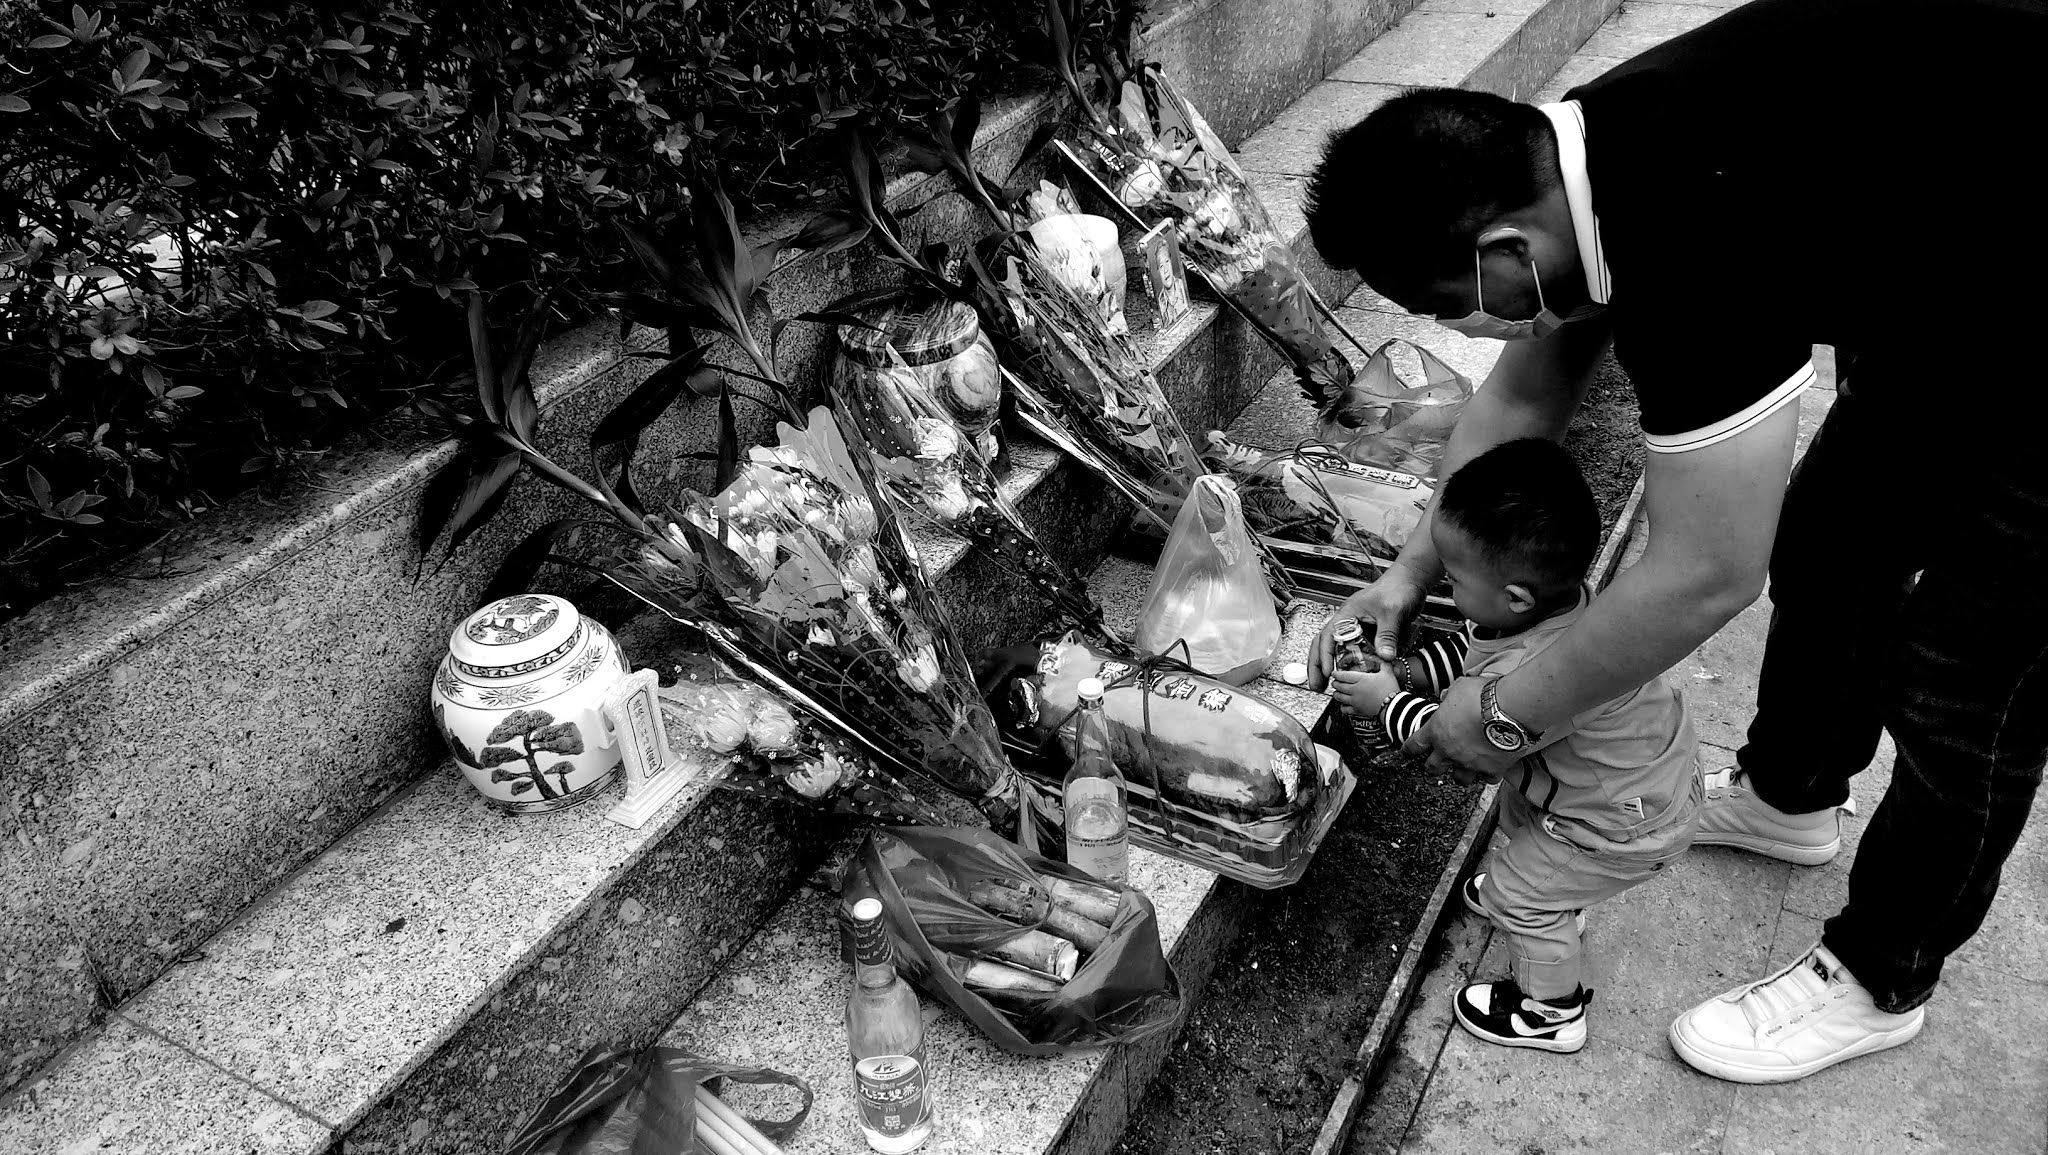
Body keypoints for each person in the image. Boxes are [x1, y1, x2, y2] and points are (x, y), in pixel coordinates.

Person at [1300, 0, 2047, 1084]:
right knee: (1834, 543)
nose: (1461, 334)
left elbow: (1703, 573)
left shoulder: (1693, 236)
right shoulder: (1590, 164)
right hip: (1965, 279)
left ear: (1504, 249)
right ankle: (1790, 796)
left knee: (1963, 681)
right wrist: (1411, 570)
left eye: (1447, 309)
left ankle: (1883, 971)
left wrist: (1497, 717)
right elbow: (1521, 400)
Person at [1332, 437, 1699, 1053]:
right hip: (1619, 783)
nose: (1446, 589)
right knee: (1518, 818)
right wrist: (1413, 671)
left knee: (1516, 893)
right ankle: (1561, 893)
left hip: (1618, 823)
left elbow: (1453, 737)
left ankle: (1551, 1009)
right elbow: (1475, 648)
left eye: (1453, 579)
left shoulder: (1541, 670)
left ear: (1516, 596)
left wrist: (1384, 701)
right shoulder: (1556, 612)